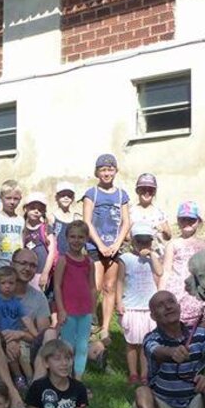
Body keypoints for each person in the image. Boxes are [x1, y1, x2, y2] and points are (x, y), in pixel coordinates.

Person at [0, 248, 53, 408]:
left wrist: (21, 335)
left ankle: (36, 388)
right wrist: (3, 341)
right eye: (23, 263)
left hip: (25, 353)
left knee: (51, 334)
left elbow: (42, 337)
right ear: (11, 264)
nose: (27, 268)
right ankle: (13, 394)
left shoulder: (39, 298)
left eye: (32, 265)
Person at [83, 153, 131, 342]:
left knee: (109, 287)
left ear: (116, 171)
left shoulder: (122, 195)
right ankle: (90, 325)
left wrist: (116, 245)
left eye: (110, 169)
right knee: (94, 287)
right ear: (97, 172)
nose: (107, 173)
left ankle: (105, 328)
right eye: (103, 169)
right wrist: (101, 245)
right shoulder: (91, 194)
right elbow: (87, 221)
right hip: (96, 246)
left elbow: (126, 222)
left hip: (115, 247)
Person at [118, 223, 163, 386]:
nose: (143, 246)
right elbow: (119, 281)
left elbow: (160, 272)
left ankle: (145, 374)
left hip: (148, 307)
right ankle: (133, 373)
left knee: (146, 344)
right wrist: (119, 302)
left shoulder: (153, 257)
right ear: (133, 242)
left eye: (147, 242)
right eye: (140, 242)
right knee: (131, 343)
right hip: (131, 306)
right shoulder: (126, 259)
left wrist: (152, 255)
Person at [54, 220, 97, 379]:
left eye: (80, 237)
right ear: (66, 238)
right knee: (68, 345)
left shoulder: (89, 262)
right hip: (68, 311)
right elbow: (57, 286)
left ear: (86, 239)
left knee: (82, 346)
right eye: (72, 236)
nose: (76, 240)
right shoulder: (63, 260)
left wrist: (93, 311)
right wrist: (61, 310)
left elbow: (92, 287)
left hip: (85, 310)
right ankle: (66, 376)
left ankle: (77, 379)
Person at [160, 201, 205, 330]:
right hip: (178, 294)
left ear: (199, 222)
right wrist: (161, 293)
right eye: (183, 219)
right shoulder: (173, 244)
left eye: (191, 220)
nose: (187, 222)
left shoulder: (204, 245)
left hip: (198, 294)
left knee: (204, 332)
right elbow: (166, 271)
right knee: (176, 333)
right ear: (178, 221)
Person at [0, 265, 37, 387]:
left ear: (15, 284)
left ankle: (31, 379)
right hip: (2, 335)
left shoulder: (16, 302)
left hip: (17, 335)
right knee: (11, 353)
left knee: (23, 354)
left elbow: (25, 319)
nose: (7, 286)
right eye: (3, 283)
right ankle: (18, 377)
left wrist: (36, 334)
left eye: (11, 283)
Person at [47, 181, 81, 326]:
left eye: (69, 195)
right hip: (57, 260)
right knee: (55, 291)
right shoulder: (52, 217)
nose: (66, 198)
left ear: (73, 198)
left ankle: (69, 317)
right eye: (62, 195)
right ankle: (55, 320)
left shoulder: (76, 217)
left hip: (72, 261)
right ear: (57, 197)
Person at [21, 192, 55, 289]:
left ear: (44, 211)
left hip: (40, 272)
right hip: (23, 272)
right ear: (26, 208)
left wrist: (45, 273)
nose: (36, 211)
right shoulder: (22, 227)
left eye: (40, 209)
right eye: (32, 208)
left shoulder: (46, 228)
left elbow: (51, 252)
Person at [129, 173, 171, 251]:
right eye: (143, 189)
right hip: (137, 254)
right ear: (137, 191)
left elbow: (168, 236)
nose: (147, 193)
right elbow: (126, 237)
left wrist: (163, 231)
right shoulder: (131, 212)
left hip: (156, 254)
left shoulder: (159, 212)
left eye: (151, 190)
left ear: (154, 192)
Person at [0, 179, 24, 269]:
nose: (12, 202)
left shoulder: (21, 220)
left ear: (20, 199)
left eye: (15, 199)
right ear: (1, 198)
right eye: (8, 198)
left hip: (17, 267)